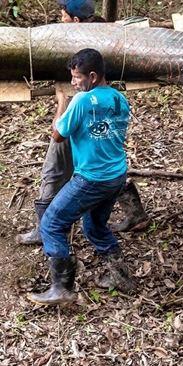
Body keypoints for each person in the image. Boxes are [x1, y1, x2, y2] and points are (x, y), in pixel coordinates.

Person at [17, 0, 148, 246]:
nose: (59, 18)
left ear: (76, 21)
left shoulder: (80, 46)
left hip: (78, 111)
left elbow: (58, 133)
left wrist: (63, 105)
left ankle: (45, 228)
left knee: (55, 168)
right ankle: (135, 212)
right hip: (100, 108)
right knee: (104, 156)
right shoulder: (102, 34)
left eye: (63, 14)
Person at [27, 49, 135, 306]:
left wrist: (62, 104)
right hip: (117, 175)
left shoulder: (81, 101)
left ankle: (61, 288)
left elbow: (58, 135)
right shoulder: (120, 99)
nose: (74, 82)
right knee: (94, 227)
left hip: (92, 178)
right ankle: (122, 278)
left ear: (93, 76)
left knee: (52, 223)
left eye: (77, 77)